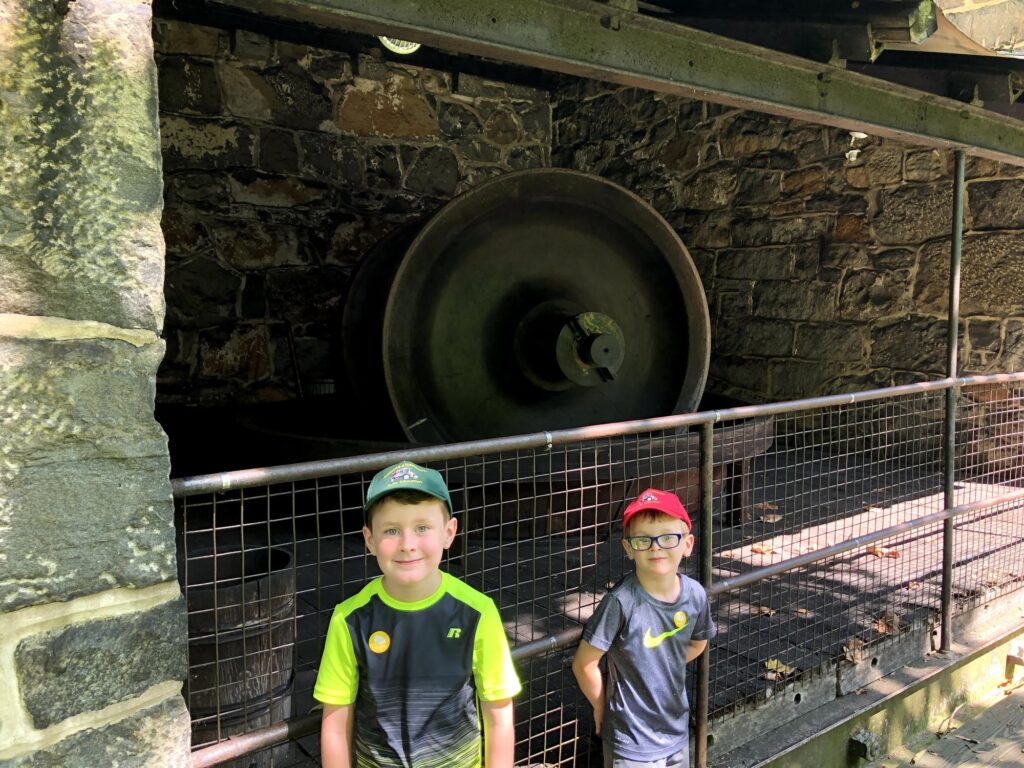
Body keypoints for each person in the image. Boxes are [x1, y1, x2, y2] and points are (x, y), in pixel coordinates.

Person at [314, 460, 521, 768]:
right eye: (391, 530)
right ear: (370, 540)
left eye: (422, 528)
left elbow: (500, 716)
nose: (407, 544)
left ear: (449, 533)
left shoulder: (478, 612)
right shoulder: (349, 619)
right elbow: (335, 723)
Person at [572, 488, 716, 768]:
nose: (655, 547)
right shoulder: (621, 602)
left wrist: (659, 664)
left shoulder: (695, 595)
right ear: (628, 548)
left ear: (687, 544)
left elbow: (699, 642)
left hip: (676, 733)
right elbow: (584, 663)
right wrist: (602, 707)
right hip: (631, 741)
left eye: (668, 537)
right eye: (643, 539)